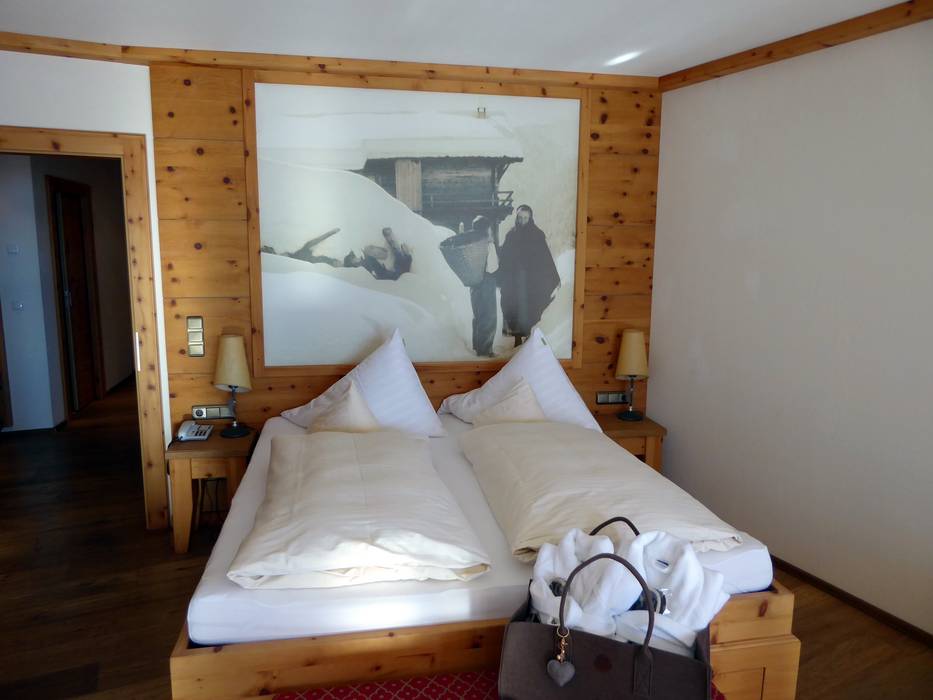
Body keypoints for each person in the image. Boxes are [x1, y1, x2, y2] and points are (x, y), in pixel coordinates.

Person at [497, 204, 560, 347]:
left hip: (532, 280)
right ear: (516, 218)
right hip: (515, 280)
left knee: (531, 307)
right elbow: (504, 258)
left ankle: (529, 337)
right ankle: (517, 339)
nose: (522, 221)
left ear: (530, 218)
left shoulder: (537, 235)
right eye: (520, 218)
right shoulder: (511, 235)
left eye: (525, 218)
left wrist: (554, 276)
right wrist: (502, 275)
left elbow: (546, 257)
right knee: (515, 307)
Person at [468, 215, 499, 357]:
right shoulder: (488, 244)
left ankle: (477, 347)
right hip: (487, 281)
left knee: (478, 315)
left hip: (474, 283)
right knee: (489, 316)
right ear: (487, 229)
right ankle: (486, 351)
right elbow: (492, 267)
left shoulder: (470, 244)